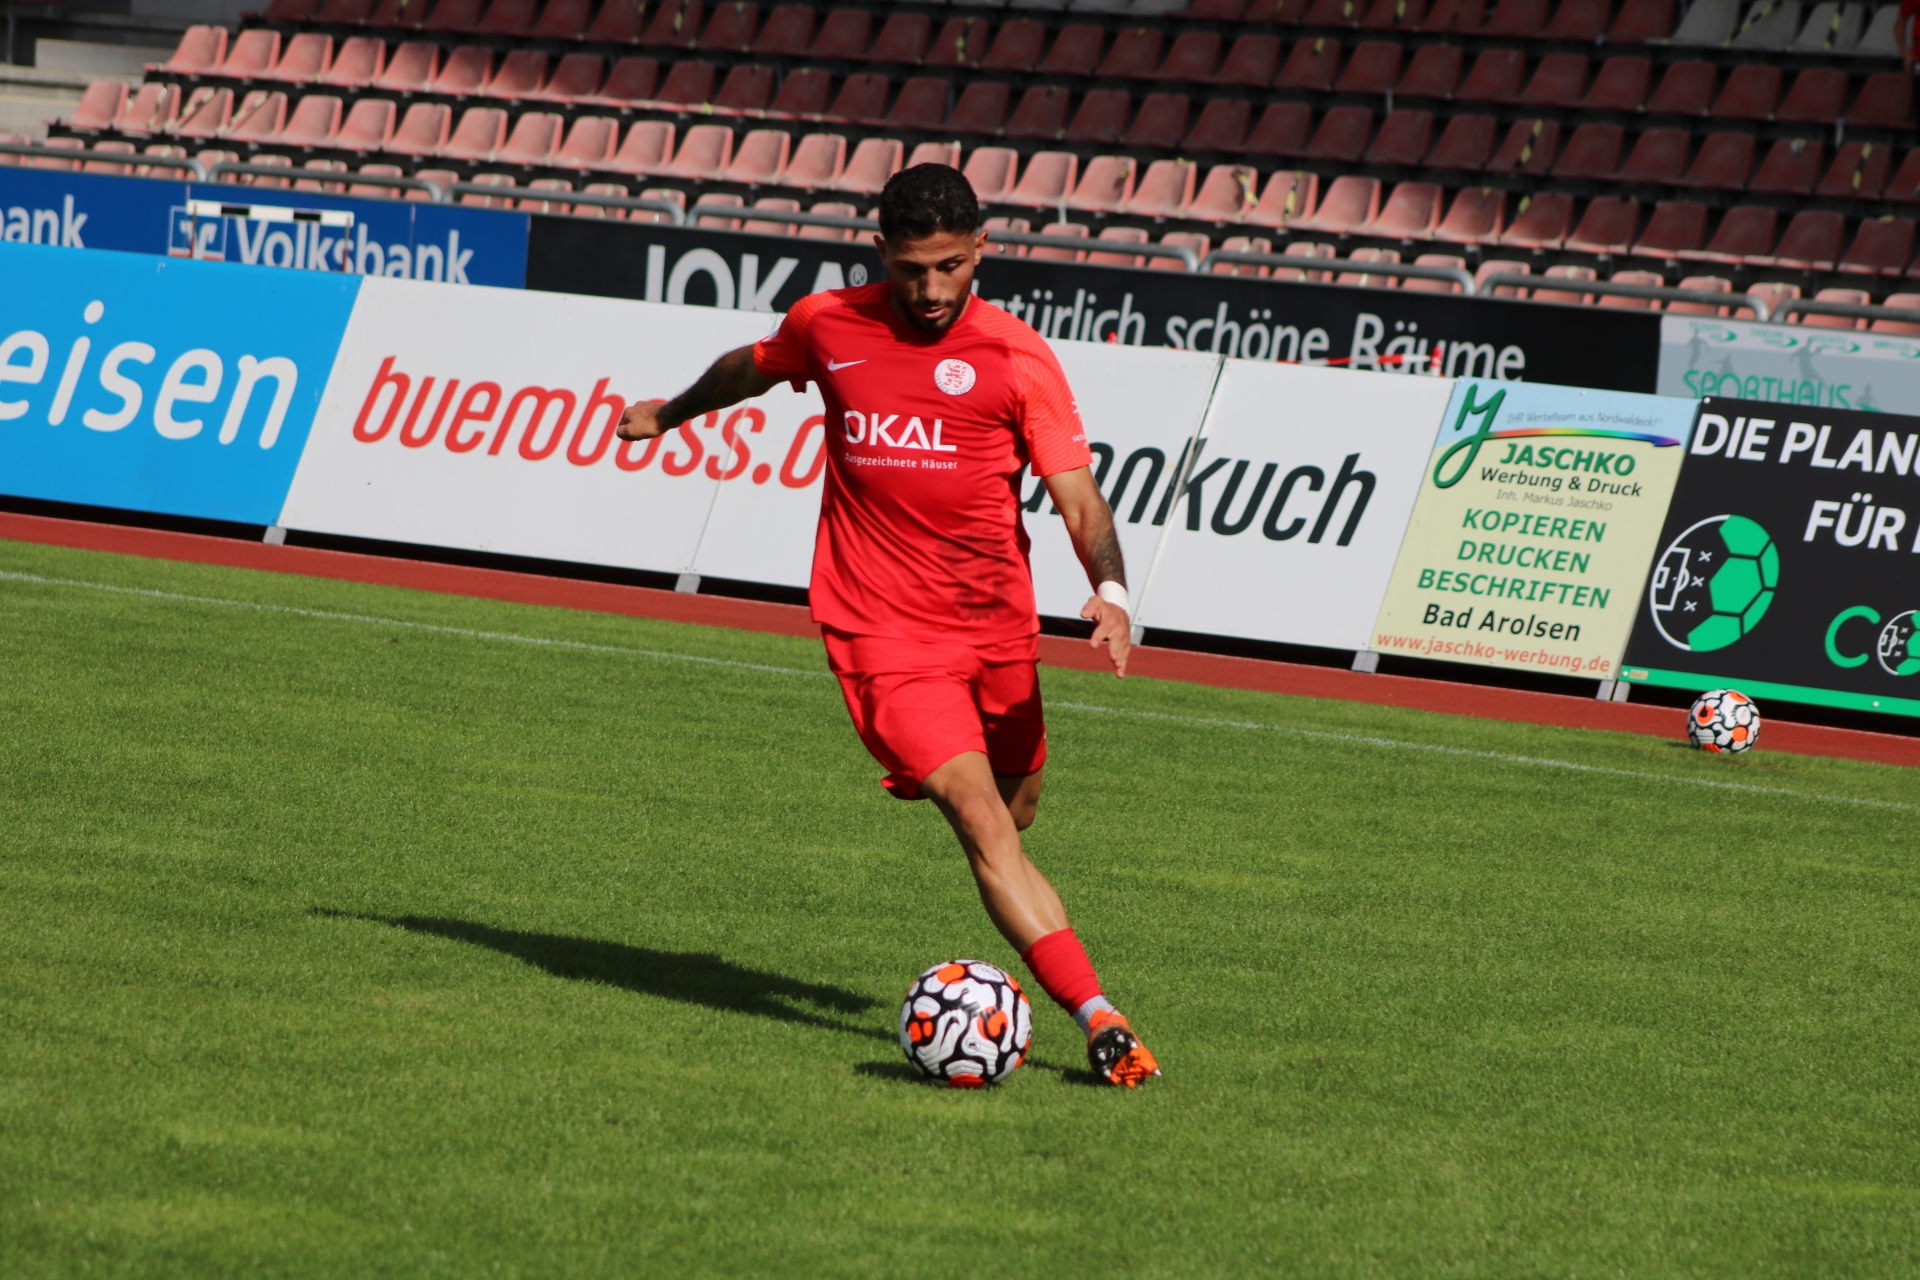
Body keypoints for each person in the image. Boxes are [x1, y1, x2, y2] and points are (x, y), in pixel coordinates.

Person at [616, 165, 1160, 1088]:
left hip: (994, 629)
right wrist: (671, 413)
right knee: (982, 819)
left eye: (951, 266)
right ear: (880, 254)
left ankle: (968, 818)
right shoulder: (828, 325)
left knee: (1017, 811)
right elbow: (750, 368)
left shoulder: (1017, 357)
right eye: (912, 269)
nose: (933, 289)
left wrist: (1111, 590)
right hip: (881, 633)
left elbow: (1077, 495)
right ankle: (1101, 1018)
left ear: (982, 249)